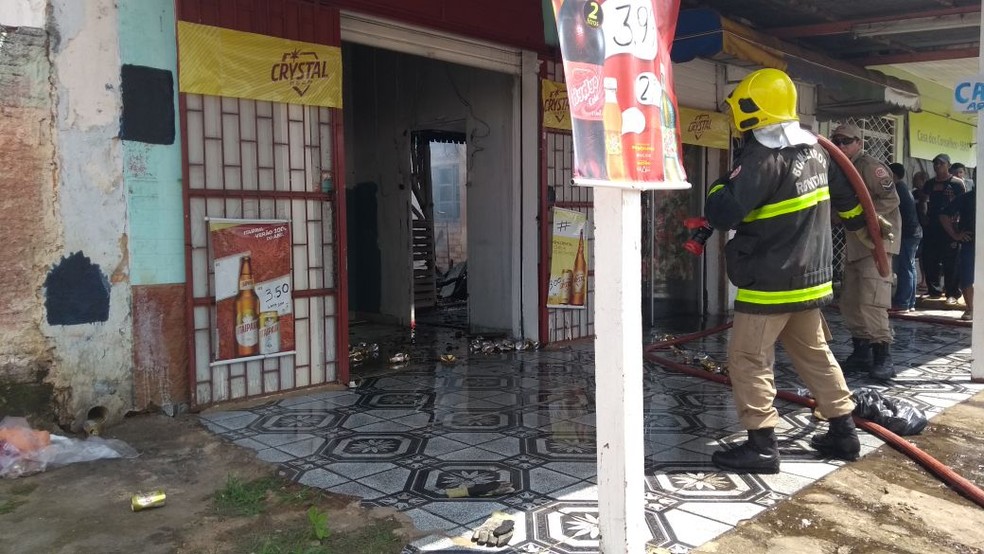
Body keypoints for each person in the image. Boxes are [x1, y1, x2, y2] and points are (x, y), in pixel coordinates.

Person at [704, 68, 868, 474]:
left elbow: (722, 212)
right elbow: (848, 201)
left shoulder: (763, 156)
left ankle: (761, 445)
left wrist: (718, 186)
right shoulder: (816, 151)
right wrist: (861, 225)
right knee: (814, 353)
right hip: (809, 280)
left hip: (770, 282)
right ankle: (843, 431)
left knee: (747, 358)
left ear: (752, 109)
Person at [830, 124, 900, 380]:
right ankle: (862, 351)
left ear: (858, 142)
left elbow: (891, 199)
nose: (840, 145)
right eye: (835, 140)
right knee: (850, 301)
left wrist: (865, 219)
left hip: (876, 243)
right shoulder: (840, 168)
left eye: (845, 141)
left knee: (872, 301)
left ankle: (883, 355)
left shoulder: (870, 166)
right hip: (855, 244)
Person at [921, 154, 965, 303]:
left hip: (950, 227)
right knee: (930, 258)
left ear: (948, 165)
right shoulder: (929, 184)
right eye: (935, 163)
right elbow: (923, 200)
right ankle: (934, 290)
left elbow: (962, 205)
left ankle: (952, 293)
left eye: (940, 163)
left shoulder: (957, 183)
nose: (937, 166)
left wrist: (958, 225)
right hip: (932, 227)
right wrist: (924, 216)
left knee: (951, 261)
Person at [889, 163, 921, 312]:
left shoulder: (898, 190)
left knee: (904, 268)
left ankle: (903, 303)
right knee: (909, 267)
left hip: (907, 235)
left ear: (893, 175)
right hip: (913, 233)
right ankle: (910, 302)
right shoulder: (903, 188)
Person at [940, 188, 975, 320]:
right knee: (967, 277)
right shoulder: (966, 198)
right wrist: (955, 235)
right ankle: (970, 308)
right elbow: (944, 215)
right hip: (970, 241)